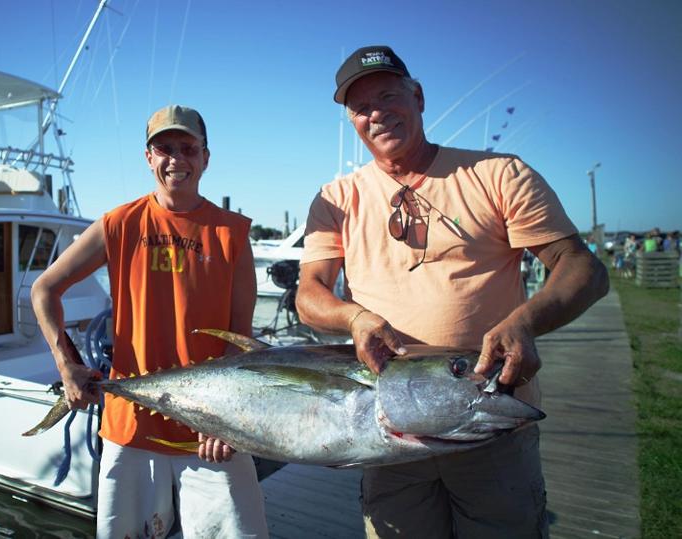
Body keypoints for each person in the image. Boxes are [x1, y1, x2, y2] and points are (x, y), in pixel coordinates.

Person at [295, 45, 609, 537]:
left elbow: (582, 267)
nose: (376, 113)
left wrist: (525, 322)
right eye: (361, 107)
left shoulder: (498, 174)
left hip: (488, 424)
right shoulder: (336, 198)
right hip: (387, 434)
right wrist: (354, 317)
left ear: (417, 97)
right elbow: (309, 294)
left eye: (388, 96)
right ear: (352, 120)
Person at [31, 104, 268, 539]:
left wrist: (226, 420)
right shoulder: (119, 224)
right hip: (130, 430)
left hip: (209, 434)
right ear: (148, 157)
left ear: (205, 157)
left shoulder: (231, 233)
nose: (176, 159)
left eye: (188, 148)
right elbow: (44, 290)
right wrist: (67, 365)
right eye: (164, 149)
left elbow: (239, 340)